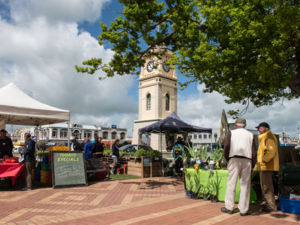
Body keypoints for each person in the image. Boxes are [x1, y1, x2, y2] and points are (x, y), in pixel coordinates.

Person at [221, 118, 257, 216]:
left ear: (236, 124)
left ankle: (229, 207)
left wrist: (228, 158)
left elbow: (226, 146)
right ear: (245, 125)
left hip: (234, 158)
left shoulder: (231, 133)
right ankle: (244, 210)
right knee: (245, 185)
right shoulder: (251, 135)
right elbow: (254, 152)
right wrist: (253, 165)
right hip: (247, 160)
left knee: (231, 184)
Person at [256, 122, 279, 212]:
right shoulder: (266, 137)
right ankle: (269, 205)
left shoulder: (268, 137)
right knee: (266, 186)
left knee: (267, 187)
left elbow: (271, 152)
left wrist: (263, 160)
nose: (258, 130)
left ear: (264, 128)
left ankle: (271, 207)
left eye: (259, 128)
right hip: (265, 166)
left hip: (266, 166)